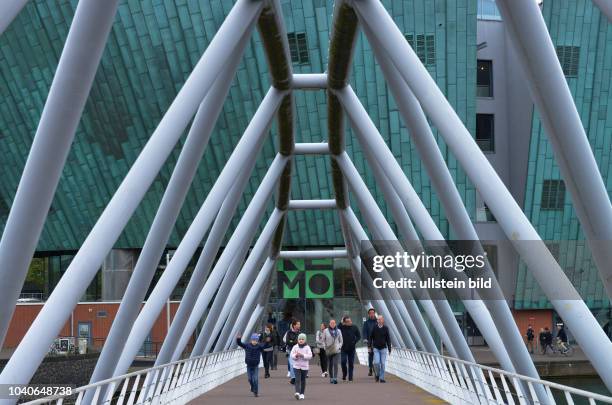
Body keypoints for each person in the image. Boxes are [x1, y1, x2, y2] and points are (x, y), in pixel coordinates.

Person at [368, 315, 391, 383]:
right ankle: (377, 374)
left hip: (383, 348)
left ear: (382, 320)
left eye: (380, 319)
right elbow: (370, 337)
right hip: (376, 348)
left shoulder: (386, 328)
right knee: (377, 363)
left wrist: (389, 348)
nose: (379, 320)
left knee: (383, 363)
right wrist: (369, 346)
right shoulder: (374, 328)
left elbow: (388, 339)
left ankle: (382, 378)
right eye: (378, 319)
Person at [290, 333, 313, 400]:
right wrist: (295, 356)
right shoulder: (295, 347)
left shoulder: (307, 347)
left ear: (305, 340)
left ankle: (302, 393)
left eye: (302, 339)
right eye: (299, 339)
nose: (301, 340)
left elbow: (310, 356)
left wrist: (302, 355)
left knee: (303, 380)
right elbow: (292, 355)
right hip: (296, 366)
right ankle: (297, 392)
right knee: (297, 379)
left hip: (304, 366)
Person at [339, 316, 361, 382]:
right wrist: (341, 322)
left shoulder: (354, 327)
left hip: (351, 348)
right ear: (344, 322)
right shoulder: (341, 327)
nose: (349, 322)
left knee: (351, 363)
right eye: (347, 321)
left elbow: (359, 336)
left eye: (350, 321)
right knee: (343, 361)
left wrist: (354, 341)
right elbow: (337, 328)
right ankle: (344, 374)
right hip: (343, 348)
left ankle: (350, 377)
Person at [322, 318, 343, 384]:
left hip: (336, 350)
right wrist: (325, 347)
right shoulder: (325, 331)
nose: (333, 324)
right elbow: (323, 340)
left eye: (334, 323)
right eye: (331, 323)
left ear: (335, 324)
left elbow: (341, 340)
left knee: (335, 363)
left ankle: (335, 378)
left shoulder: (338, 331)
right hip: (329, 350)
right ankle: (331, 377)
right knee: (330, 364)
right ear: (329, 324)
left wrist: (339, 347)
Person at [283, 319, 301, 384]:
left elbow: (301, 341)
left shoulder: (299, 333)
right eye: (298, 324)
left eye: (299, 324)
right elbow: (287, 341)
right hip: (290, 350)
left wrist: (292, 341)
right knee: (292, 364)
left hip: (298, 351)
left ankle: (297, 377)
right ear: (294, 325)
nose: (299, 325)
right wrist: (295, 342)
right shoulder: (289, 332)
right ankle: (293, 378)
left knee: (298, 364)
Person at [362, 308, 377, 376]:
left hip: (378, 342)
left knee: (377, 355)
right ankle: (370, 368)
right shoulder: (366, 323)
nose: (371, 314)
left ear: (374, 313)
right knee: (370, 355)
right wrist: (365, 339)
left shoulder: (378, 321)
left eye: (373, 313)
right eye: (370, 313)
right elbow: (364, 331)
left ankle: (377, 369)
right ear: (368, 314)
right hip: (370, 342)